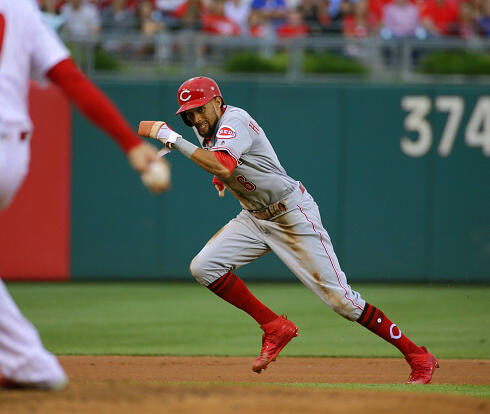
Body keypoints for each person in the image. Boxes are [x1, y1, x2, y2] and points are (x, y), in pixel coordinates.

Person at [0, 0, 168, 391]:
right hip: (9, 157)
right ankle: (31, 365)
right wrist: (128, 143)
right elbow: (70, 78)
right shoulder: (17, 7)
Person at [139, 76, 438, 384]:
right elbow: (230, 166)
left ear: (217, 102)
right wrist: (221, 177)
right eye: (189, 113)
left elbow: (223, 163)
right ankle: (274, 326)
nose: (195, 118)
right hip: (254, 218)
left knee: (342, 302)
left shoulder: (234, 121)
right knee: (204, 267)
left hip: (291, 214)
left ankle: (418, 356)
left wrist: (170, 136)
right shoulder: (204, 129)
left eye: (200, 109)